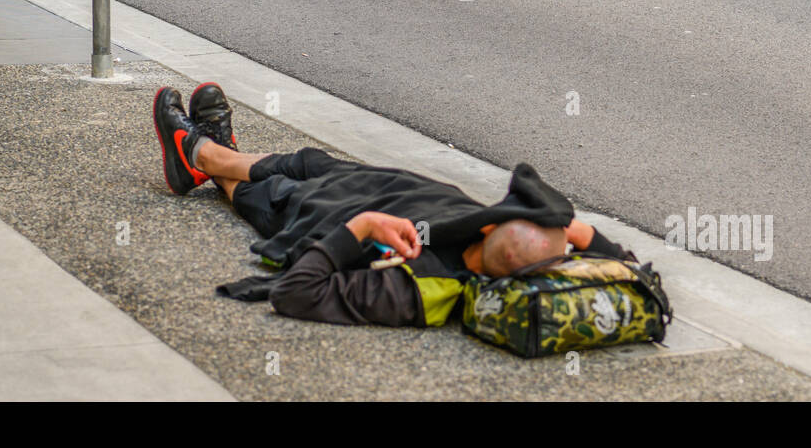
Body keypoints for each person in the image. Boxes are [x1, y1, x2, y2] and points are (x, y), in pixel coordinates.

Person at [153, 83, 635, 327]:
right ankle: (214, 150)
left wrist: (362, 227)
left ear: (490, 232)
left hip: (338, 218)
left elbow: (295, 294)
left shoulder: (421, 289)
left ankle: (204, 156)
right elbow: (628, 269)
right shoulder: (522, 262)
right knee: (309, 161)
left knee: (279, 196)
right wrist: (559, 233)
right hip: (394, 190)